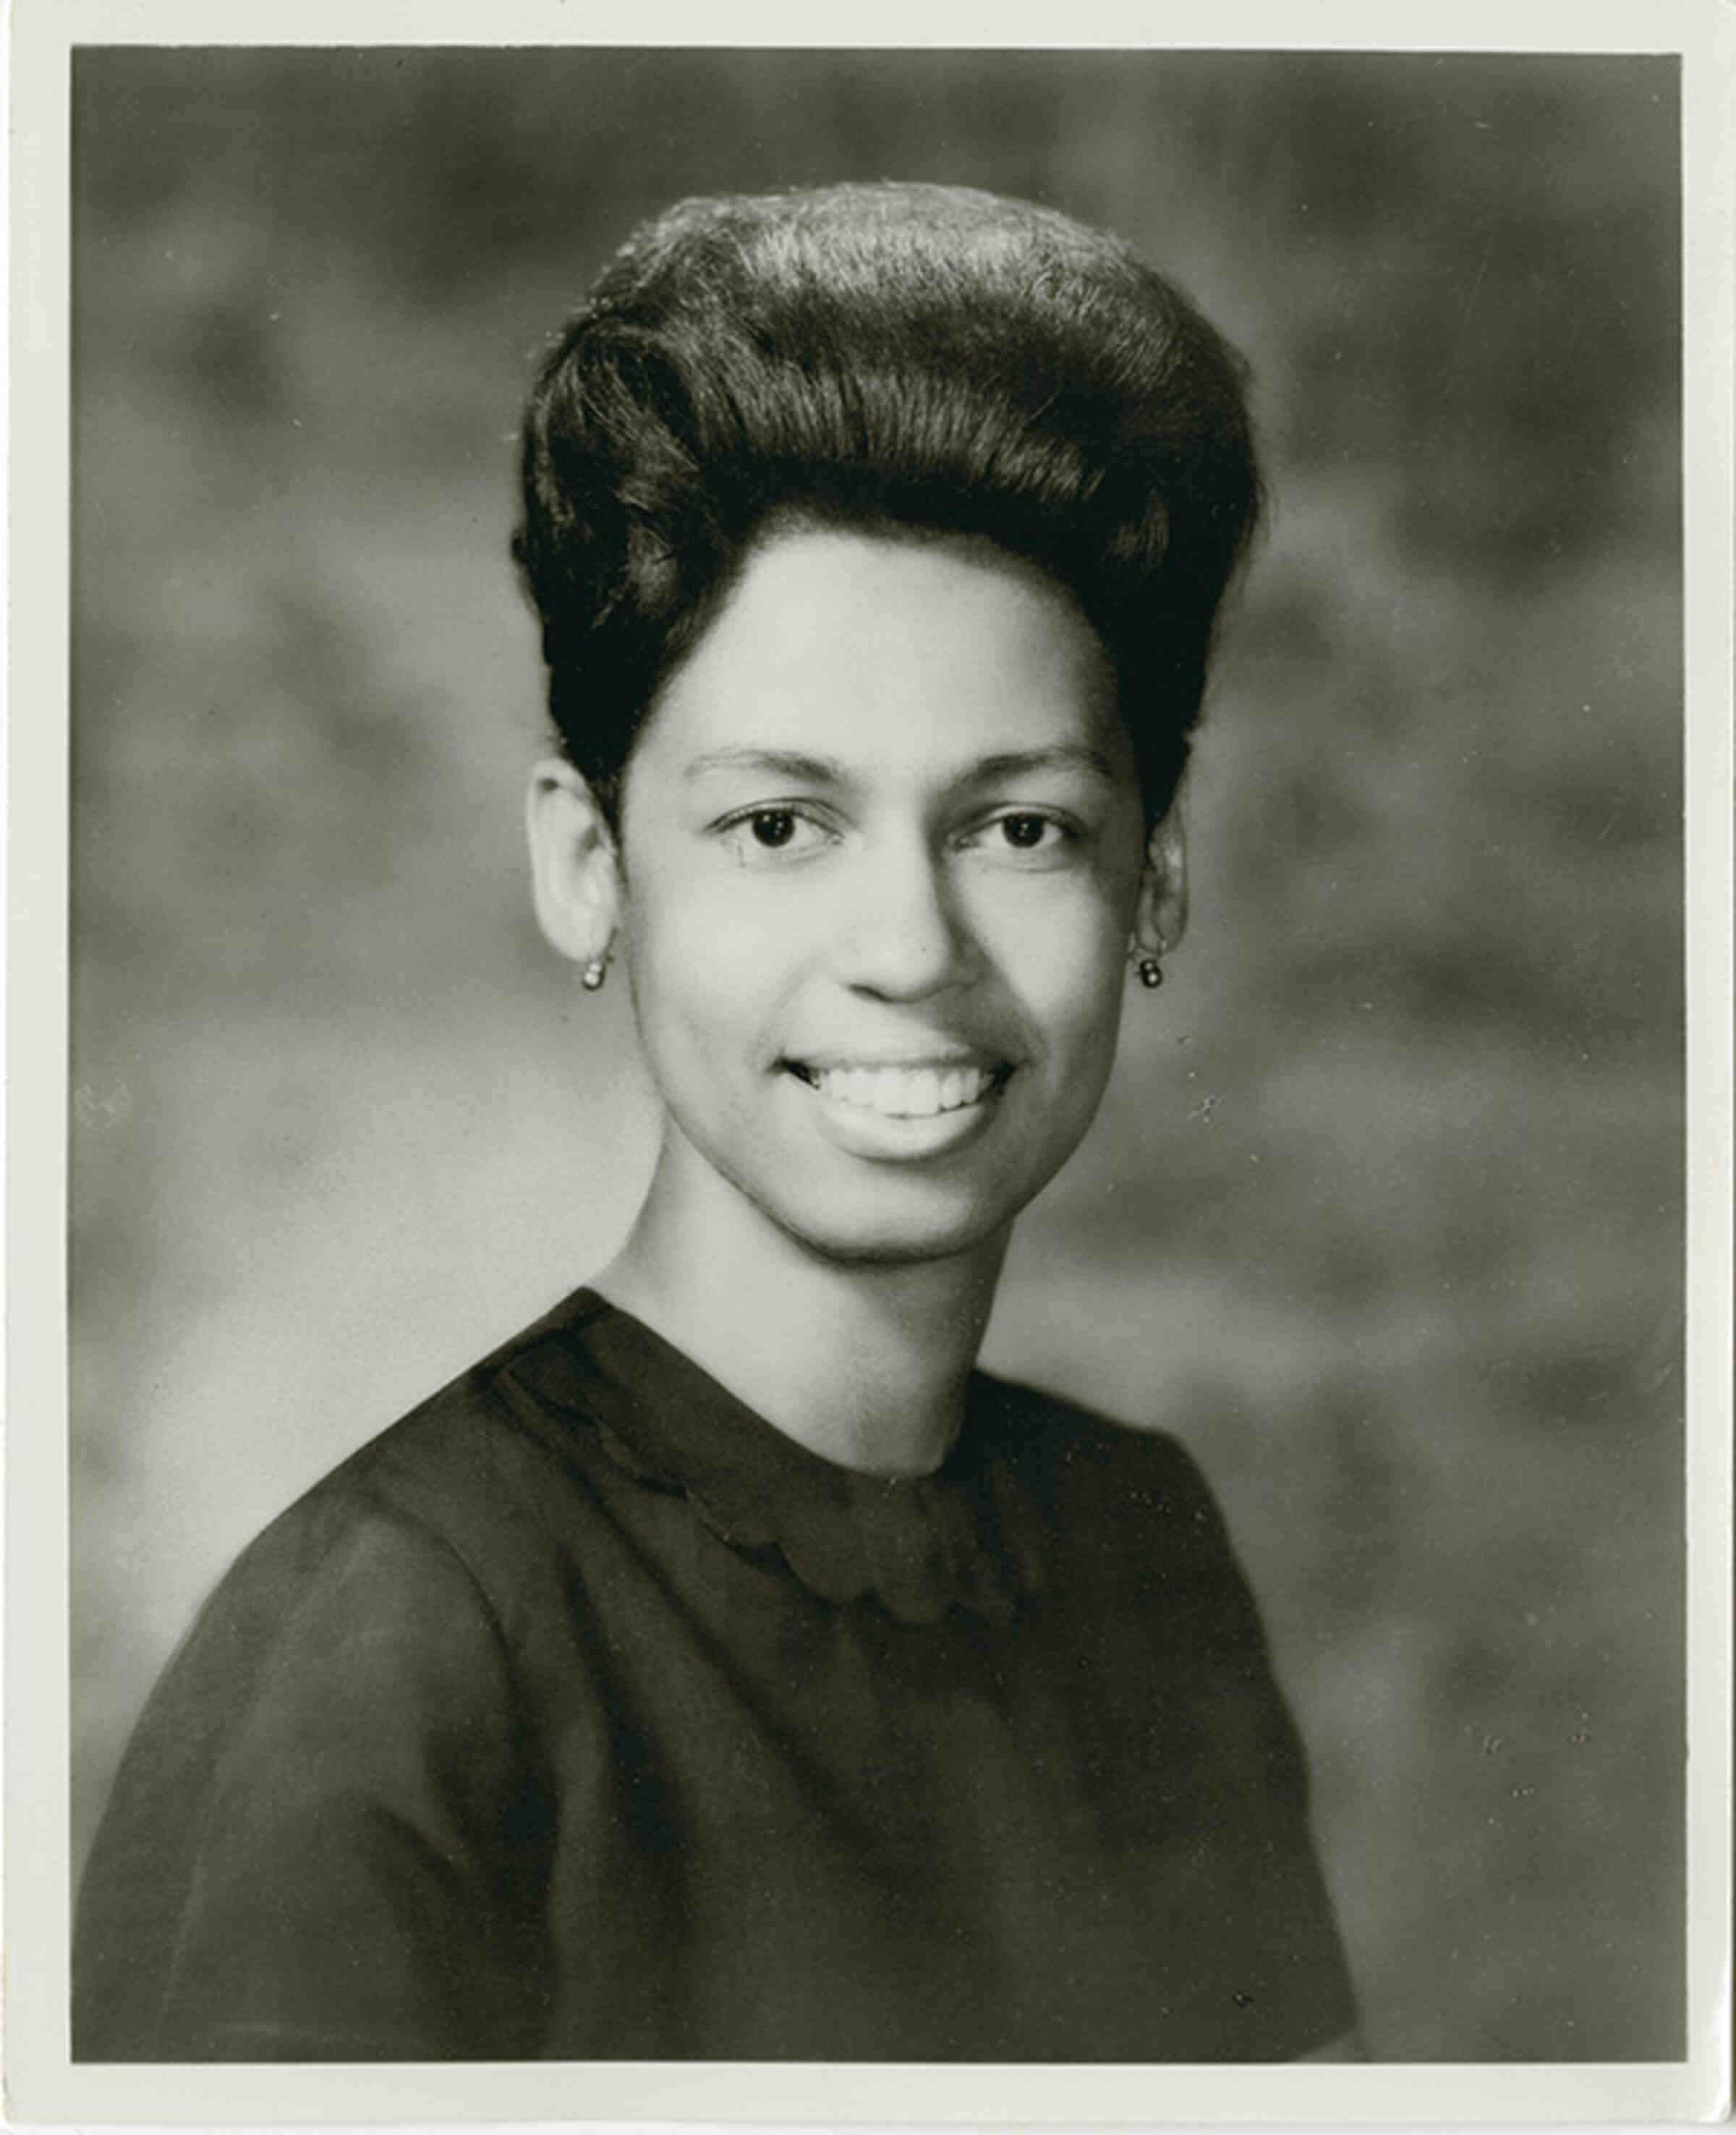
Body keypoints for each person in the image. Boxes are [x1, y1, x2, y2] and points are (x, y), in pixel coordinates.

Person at [73, 182, 1361, 2063]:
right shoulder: (405, 1645)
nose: (911, 949)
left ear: (1153, 885)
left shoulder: (1134, 1550)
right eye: (781, 824)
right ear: (591, 869)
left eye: (1022, 827)